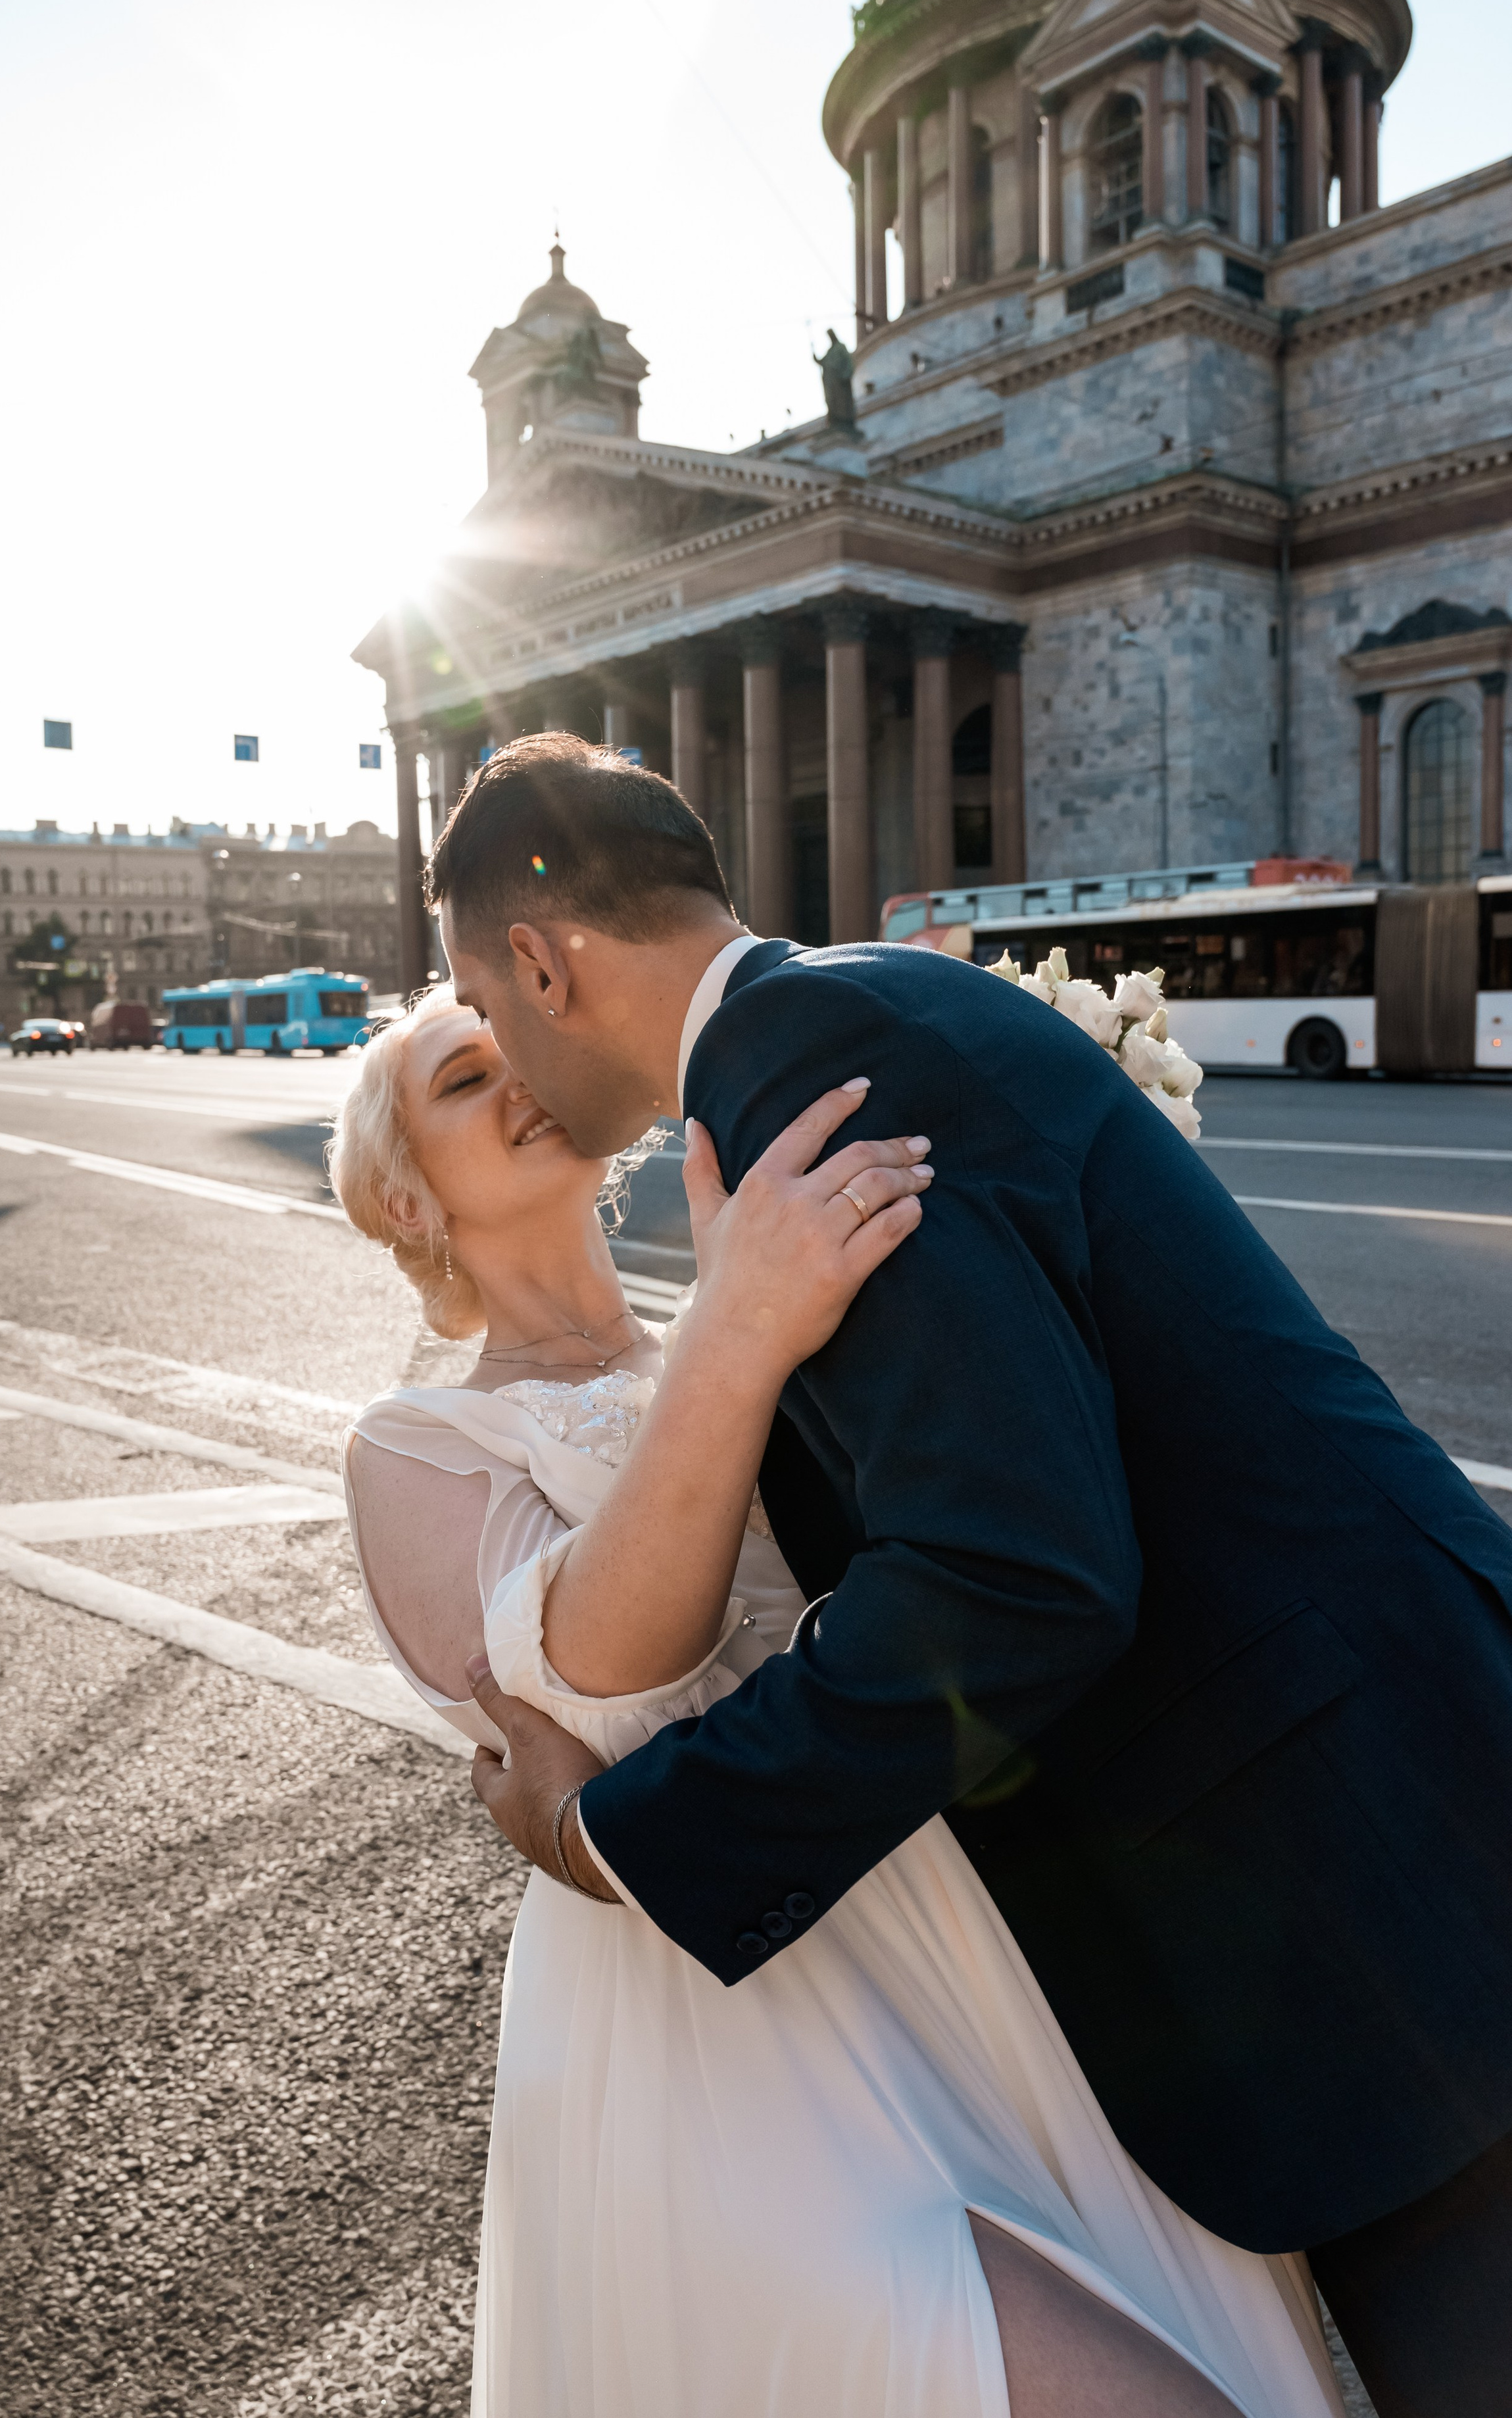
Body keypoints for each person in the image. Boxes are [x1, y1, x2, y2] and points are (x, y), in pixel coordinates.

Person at [427, 733, 1512, 2418]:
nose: (495, 1047)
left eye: (480, 1003)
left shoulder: (811, 1059)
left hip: (1379, 1880)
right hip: (1402, 1799)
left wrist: (614, 1834)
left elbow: (1016, 1573)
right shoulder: (849, 1012)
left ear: (547, 958)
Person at [329, 985, 1345, 2417]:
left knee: (1208, 2341)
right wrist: (737, 1339)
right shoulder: (416, 1447)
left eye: (516, 1043)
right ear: (403, 1193)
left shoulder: (749, 1290)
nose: (515, 1075)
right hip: (720, 2034)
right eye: (459, 1077)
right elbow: (594, 1671)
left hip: (975, 1937)